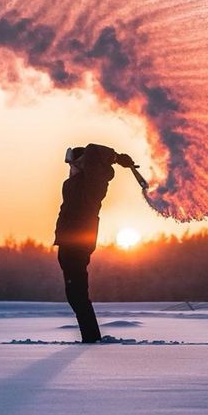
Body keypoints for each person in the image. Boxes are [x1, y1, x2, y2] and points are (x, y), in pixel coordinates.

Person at [53, 143, 136, 343]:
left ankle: (91, 339)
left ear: (82, 164)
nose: (69, 168)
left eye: (72, 163)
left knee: (78, 296)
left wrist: (115, 157)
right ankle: (90, 337)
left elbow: (92, 151)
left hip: (77, 246)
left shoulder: (93, 184)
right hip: (68, 245)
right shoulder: (73, 184)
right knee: (75, 296)